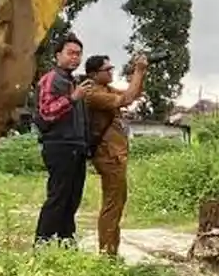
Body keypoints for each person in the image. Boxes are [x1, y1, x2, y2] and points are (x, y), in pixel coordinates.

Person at [82, 53, 149, 256]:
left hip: (115, 154)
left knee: (118, 201)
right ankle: (107, 252)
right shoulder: (92, 93)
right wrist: (137, 70)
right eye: (107, 69)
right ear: (94, 74)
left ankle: (112, 249)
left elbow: (134, 94)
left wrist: (141, 73)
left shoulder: (105, 89)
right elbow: (127, 98)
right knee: (112, 203)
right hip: (107, 155)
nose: (111, 72)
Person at [32, 33, 94, 245]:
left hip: (77, 147)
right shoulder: (51, 79)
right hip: (59, 145)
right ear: (58, 55)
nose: (75, 58)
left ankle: (66, 240)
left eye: (78, 54)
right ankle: (43, 241)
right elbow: (46, 113)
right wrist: (72, 98)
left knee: (73, 197)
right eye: (70, 53)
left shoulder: (74, 81)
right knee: (58, 196)